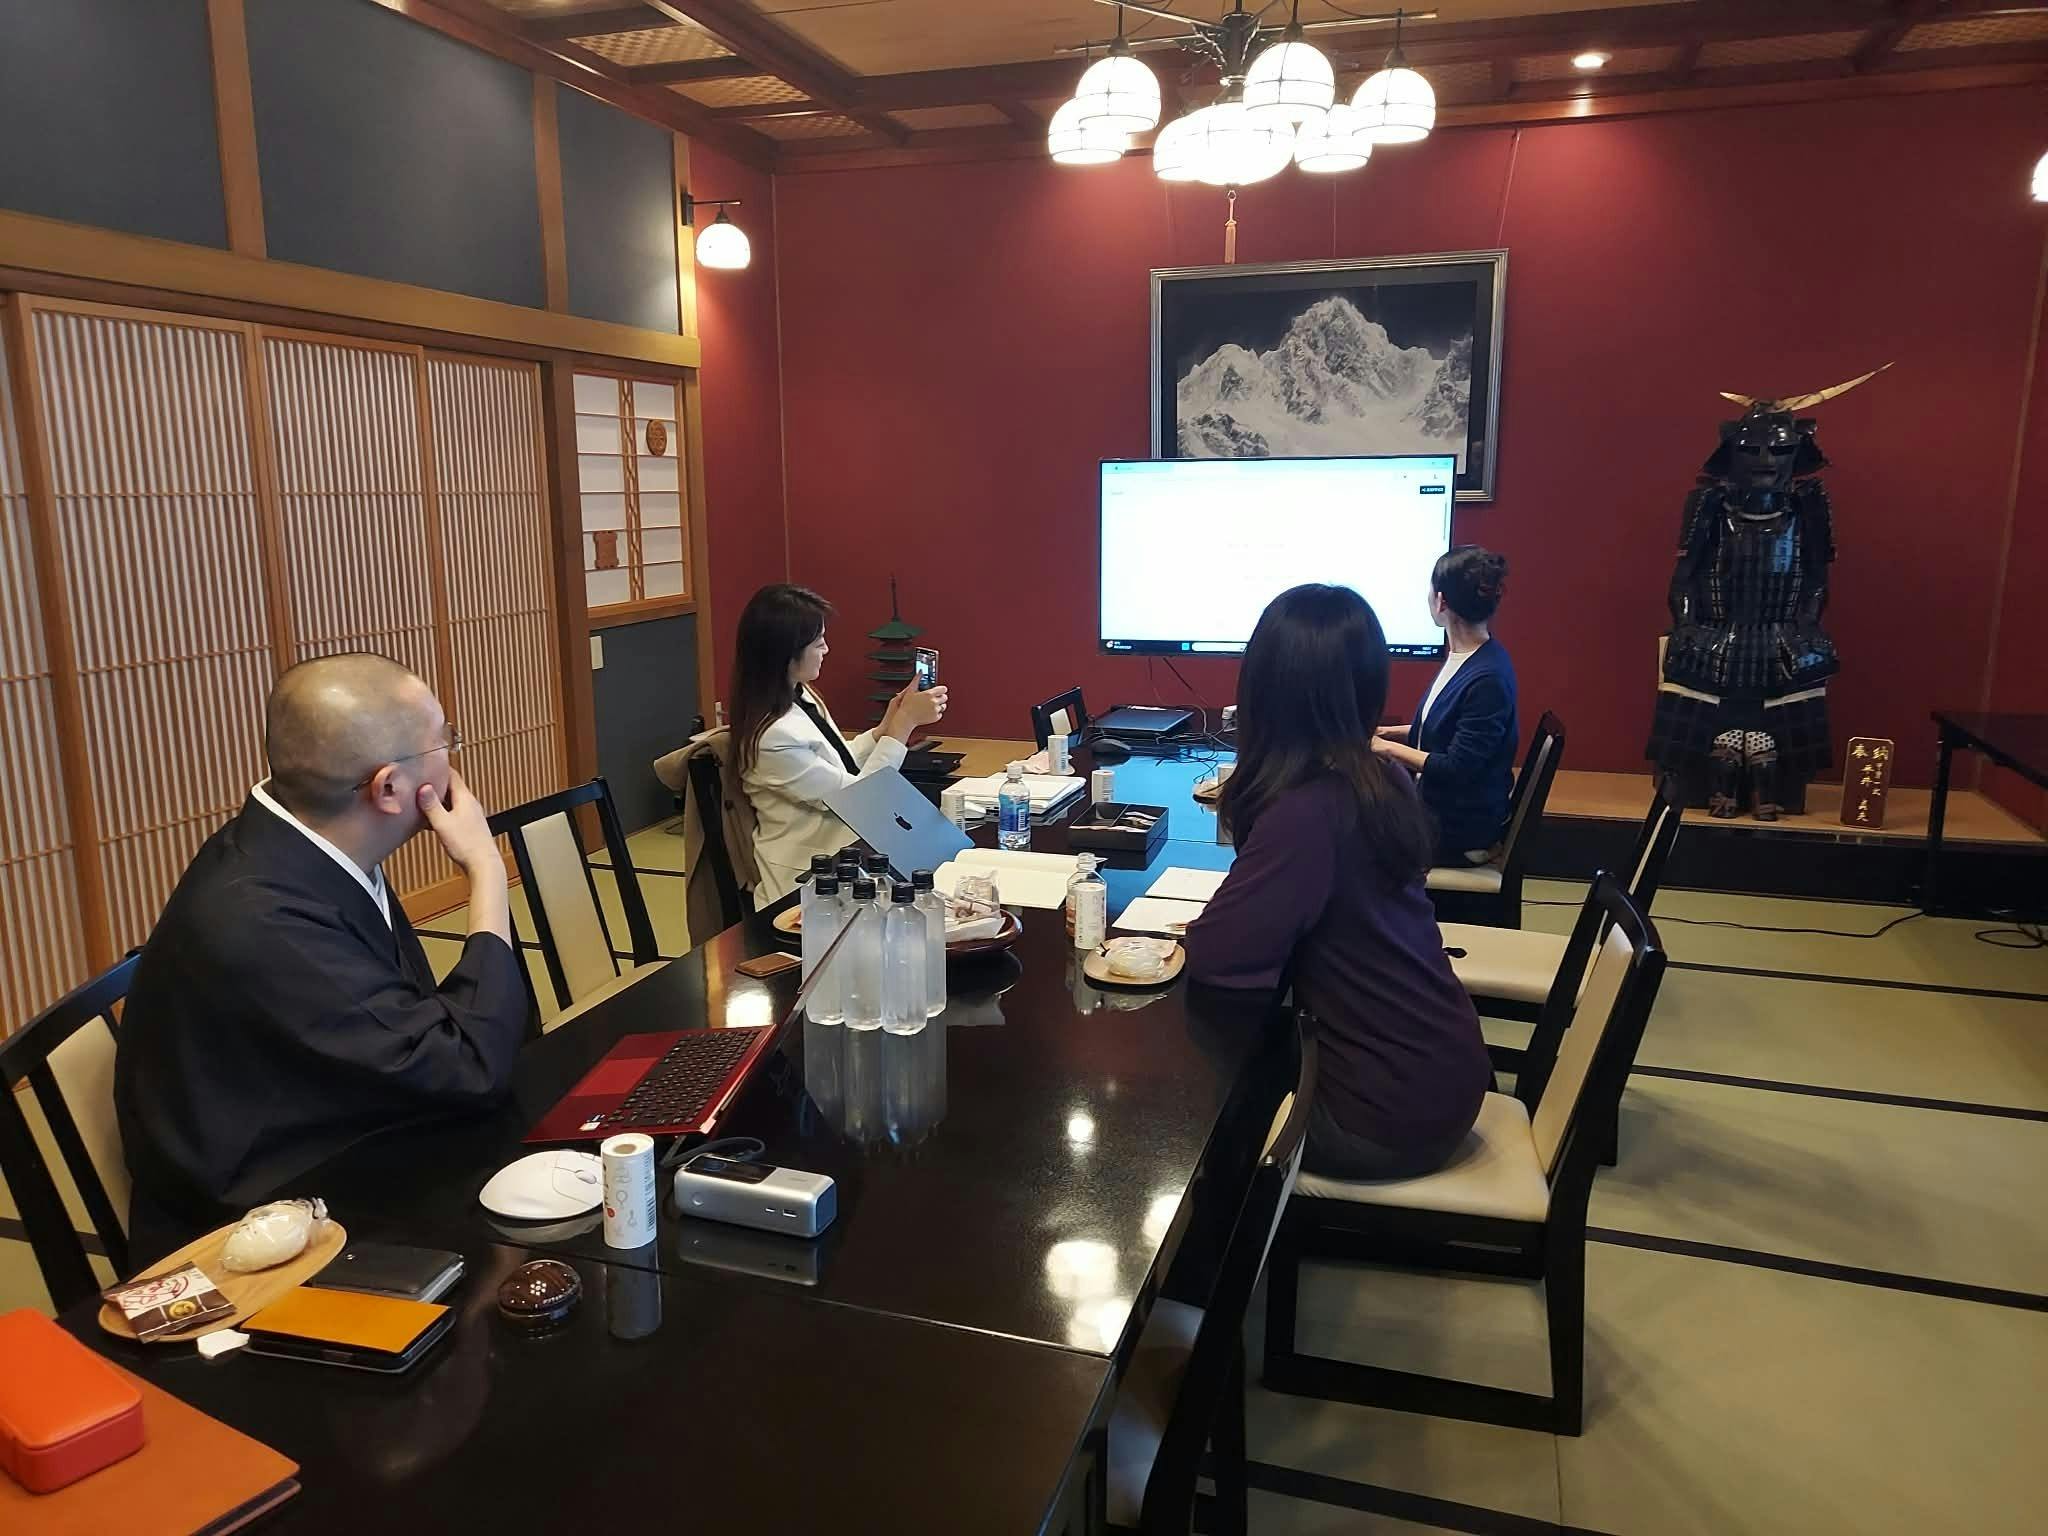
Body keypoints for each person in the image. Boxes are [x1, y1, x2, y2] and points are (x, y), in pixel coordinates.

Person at [115, 654, 528, 1265]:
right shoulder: (264, 916)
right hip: (260, 1232)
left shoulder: (300, 842)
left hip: (347, 1132)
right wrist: (487, 869)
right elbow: (469, 1065)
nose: (453, 756)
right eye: (445, 740)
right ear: (389, 788)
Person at [1185, 584, 1491, 1181]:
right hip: (1443, 1071)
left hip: (1380, 1119)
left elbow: (1220, 959)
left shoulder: (1307, 812)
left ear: (1263, 690)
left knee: (1193, 1104)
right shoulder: (1381, 778)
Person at [731, 584, 948, 902]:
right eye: (818, 642)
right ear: (787, 652)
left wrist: (882, 730)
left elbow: (837, 765)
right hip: (806, 882)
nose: (826, 649)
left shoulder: (799, 695)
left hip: (848, 857)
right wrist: (903, 726)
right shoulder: (772, 736)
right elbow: (862, 801)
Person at [1373, 546, 1518, 864]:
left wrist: (1384, 748)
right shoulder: (1470, 657)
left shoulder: (1487, 679)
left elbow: (1456, 768)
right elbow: (1446, 729)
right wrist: (1387, 732)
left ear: (1440, 601)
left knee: (1350, 829)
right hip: (1443, 811)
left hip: (1458, 829)